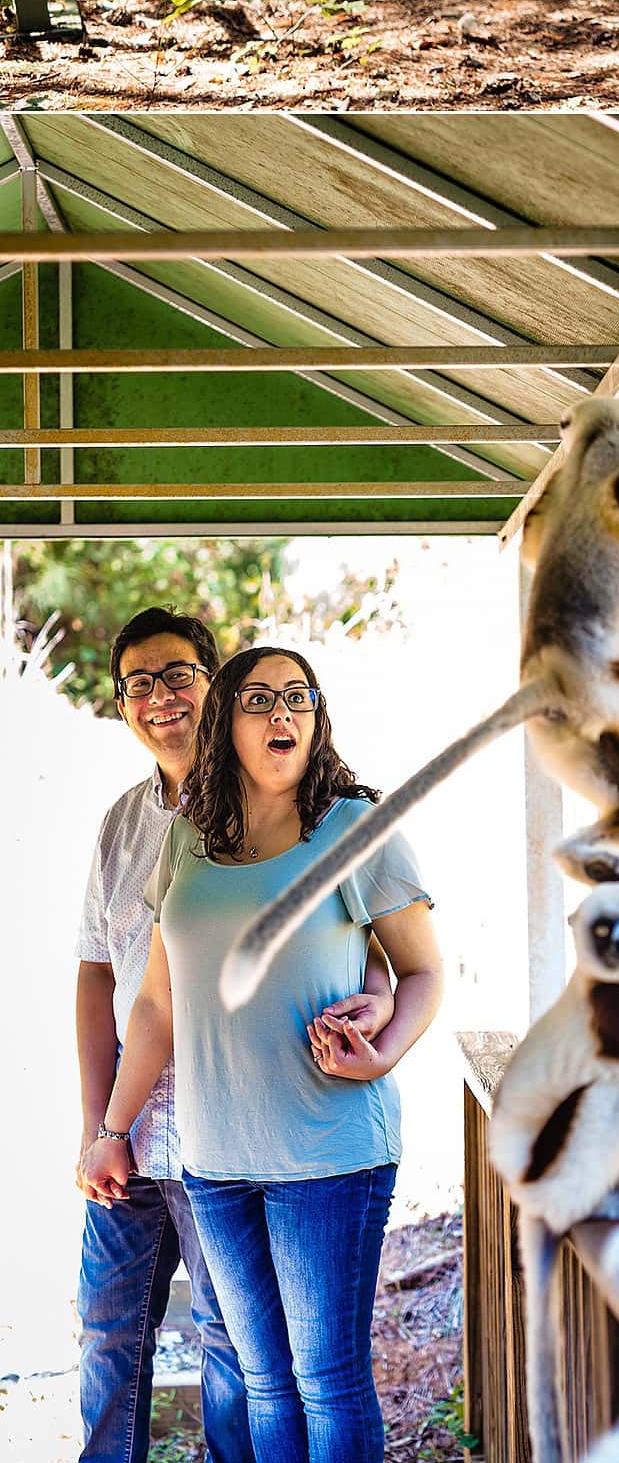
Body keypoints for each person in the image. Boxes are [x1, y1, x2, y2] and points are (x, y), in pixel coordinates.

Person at [87, 647, 444, 1463]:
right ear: (225, 722)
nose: (282, 712)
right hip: (214, 1161)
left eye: (297, 697)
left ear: (316, 718)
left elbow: (422, 972)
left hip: (328, 1153)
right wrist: (110, 1129)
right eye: (258, 699)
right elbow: (154, 1006)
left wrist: (383, 1051)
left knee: (326, 1381)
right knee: (264, 1382)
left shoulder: (357, 828)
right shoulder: (187, 839)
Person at [74, 609, 256, 1463]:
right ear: (121, 705)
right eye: (139, 683)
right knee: (107, 1333)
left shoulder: (265, 805)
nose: (160, 697)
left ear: (214, 684)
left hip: (226, 1127)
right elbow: (97, 975)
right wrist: (96, 1128)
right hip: (129, 1128)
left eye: (178, 675)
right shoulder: (121, 824)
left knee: (230, 1342)